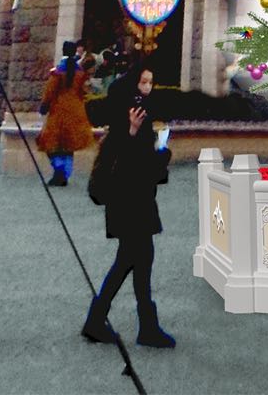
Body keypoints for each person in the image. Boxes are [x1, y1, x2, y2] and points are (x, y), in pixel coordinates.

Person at [82, 63, 175, 349]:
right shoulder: (127, 126)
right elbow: (133, 168)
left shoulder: (134, 124)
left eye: (150, 82)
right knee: (136, 261)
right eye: (143, 83)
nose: (147, 88)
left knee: (132, 262)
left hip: (134, 205)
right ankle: (141, 326)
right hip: (131, 206)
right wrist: (160, 154)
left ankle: (102, 321)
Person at [36, 40, 95, 186]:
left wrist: (44, 106)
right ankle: (65, 174)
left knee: (51, 143)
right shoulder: (80, 72)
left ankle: (59, 171)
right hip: (76, 111)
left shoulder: (57, 72)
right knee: (69, 145)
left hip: (59, 112)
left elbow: (50, 91)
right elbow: (84, 91)